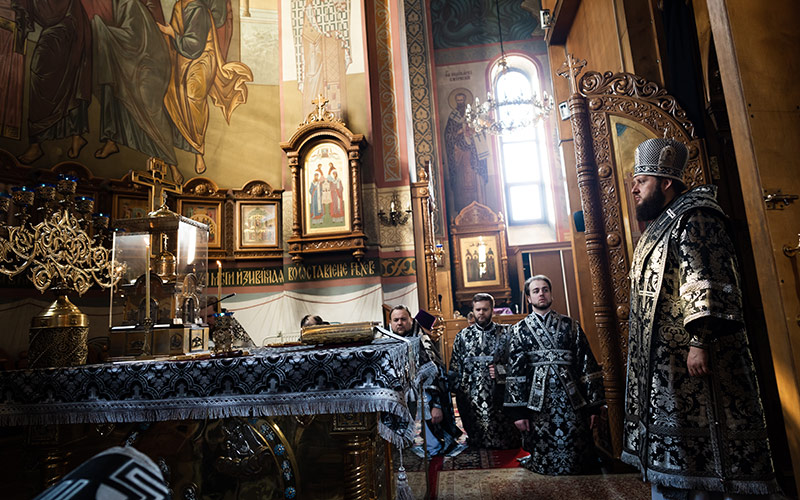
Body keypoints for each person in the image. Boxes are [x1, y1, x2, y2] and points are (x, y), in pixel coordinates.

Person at [624, 138, 779, 499]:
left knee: (708, 446)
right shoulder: (664, 222)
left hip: (693, 358)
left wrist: (700, 341)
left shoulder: (695, 216)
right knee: (678, 450)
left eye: (642, 180)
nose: (633, 188)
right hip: (669, 366)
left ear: (666, 182)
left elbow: (707, 279)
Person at [504, 275, 604, 475]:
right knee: (544, 451)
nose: (541, 294)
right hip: (538, 401)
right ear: (529, 298)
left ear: (551, 294)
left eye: (545, 289)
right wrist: (519, 412)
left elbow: (586, 365)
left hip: (572, 399)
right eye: (536, 291)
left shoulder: (571, 326)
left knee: (579, 452)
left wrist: (594, 405)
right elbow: (516, 372)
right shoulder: (518, 330)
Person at [448, 293, 519, 449]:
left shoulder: (507, 333)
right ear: (473, 310)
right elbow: (454, 366)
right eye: (478, 309)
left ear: (492, 310)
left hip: (499, 393)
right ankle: (475, 439)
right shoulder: (463, 336)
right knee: (476, 434)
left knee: (505, 438)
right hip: (471, 394)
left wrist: (502, 371)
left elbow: (518, 362)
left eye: (485, 309)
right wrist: (458, 389)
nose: (481, 313)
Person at [390, 305, 462, 457]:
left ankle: (433, 446)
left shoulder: (422, 342)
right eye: (396, 320)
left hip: (425, 391)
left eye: (403, 319)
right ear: (390, 323)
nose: (400, 323)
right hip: (398, 391)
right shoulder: (387, 342)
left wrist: (436, 405)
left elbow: (435, 373)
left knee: (426, 409)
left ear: (411, 320)